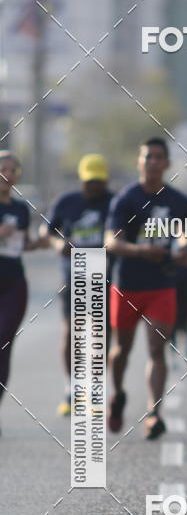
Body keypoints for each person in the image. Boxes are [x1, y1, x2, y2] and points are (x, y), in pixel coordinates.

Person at [104, 137, 187, 439]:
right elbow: (111, 241)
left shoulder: (178, 201)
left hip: (162, 285)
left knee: (157, 349)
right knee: (121, 349)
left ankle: (154, 413)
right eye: (148, 157)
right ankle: (117, 395)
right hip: (127, 285)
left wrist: (183, 247)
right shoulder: (126, 200)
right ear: (139, 162)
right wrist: (142, 251)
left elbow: (184, 234)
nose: (153, 161)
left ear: (167, 164)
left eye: (158, 157)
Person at [41, 153, 113, 415]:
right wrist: (58, 243)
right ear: (82, 179)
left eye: (98, 181)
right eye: (89, 181)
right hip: (73, 275)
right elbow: (47, 232)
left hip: (104, 276)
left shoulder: (114, 202)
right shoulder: (67, 201)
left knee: (99, 335)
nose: (94, 186)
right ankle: (71, 389)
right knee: (71, 332)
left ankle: (94, 391)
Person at [0, 151, 41, 432]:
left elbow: (23, 244)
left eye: (13, 170)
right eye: (3, 168)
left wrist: (40, 243)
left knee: (4, 343)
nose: (8, 174)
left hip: (14, 282)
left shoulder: (21, 209)